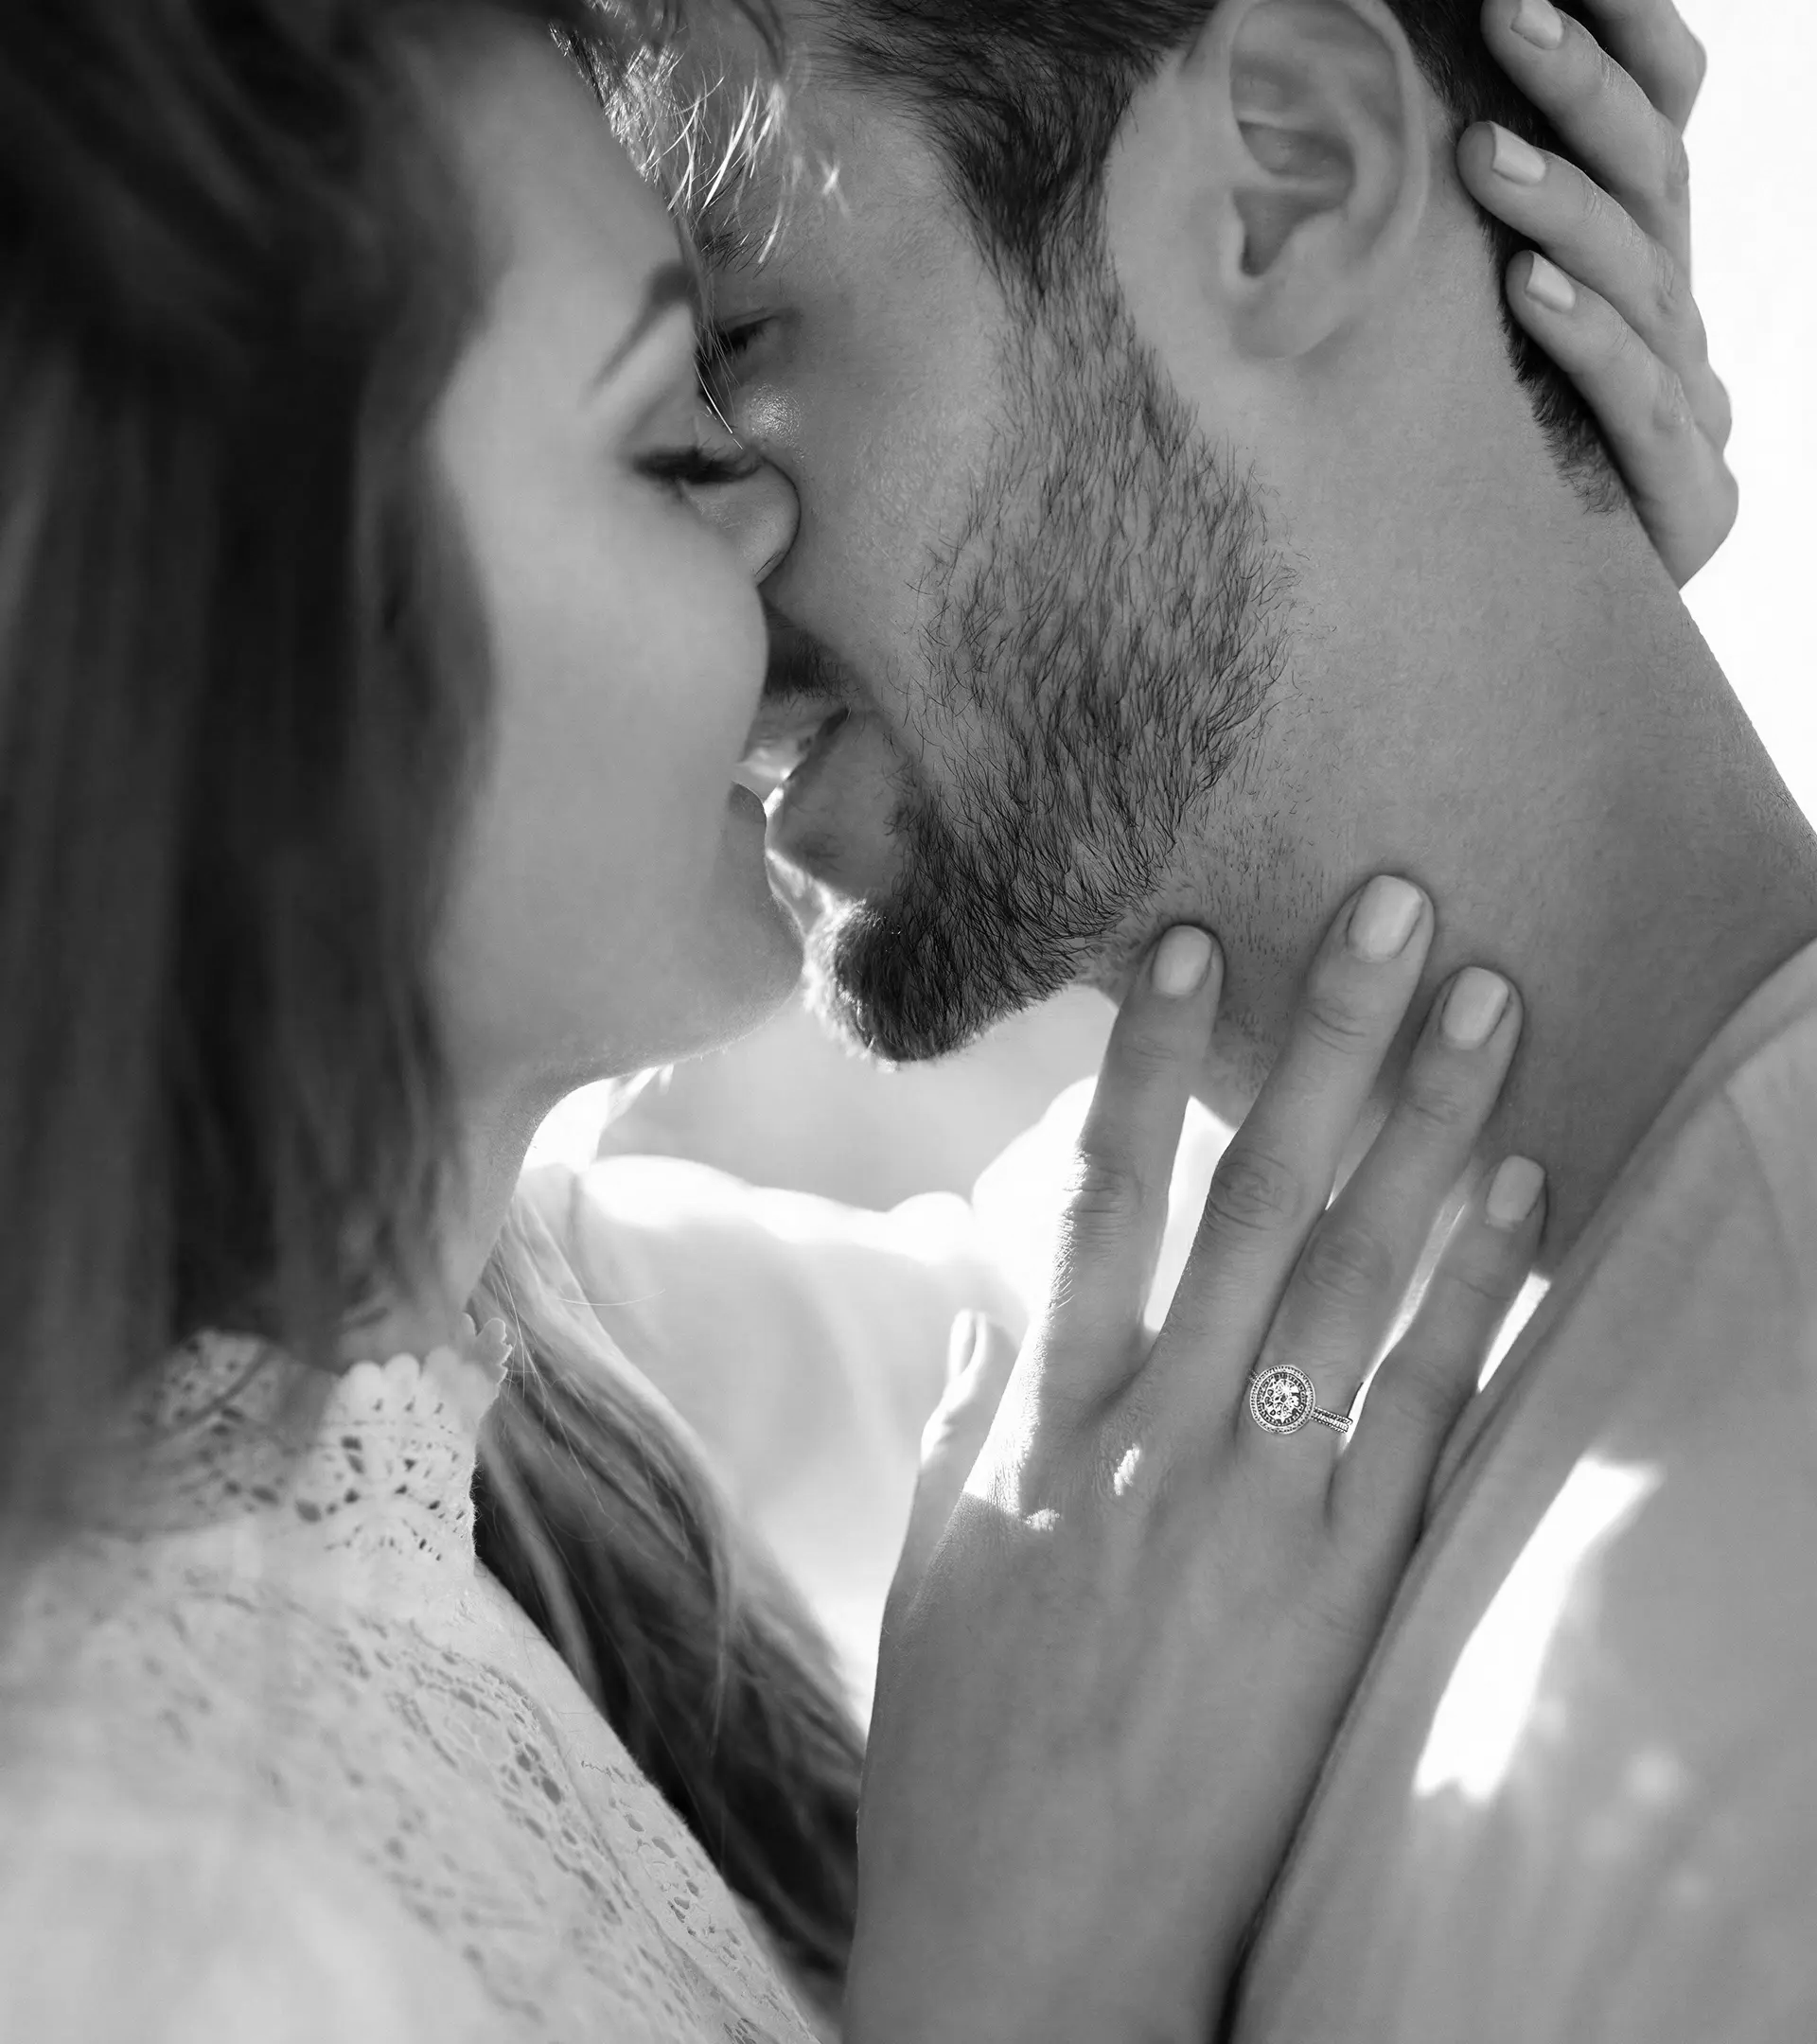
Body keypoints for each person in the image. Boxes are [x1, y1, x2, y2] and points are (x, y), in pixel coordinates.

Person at [0, 1, 1684, 2038]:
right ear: (210, 658)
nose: (771, 527)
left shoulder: (466, 1427)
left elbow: (1142, 1383)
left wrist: (1447, 565)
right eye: (666, 442)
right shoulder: (126, 1920)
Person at [632, 0, 1817, 2036]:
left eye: (736, 343)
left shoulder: (1747, 1700)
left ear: (1284, 180)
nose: (684, 573)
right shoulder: (1108, 1340)